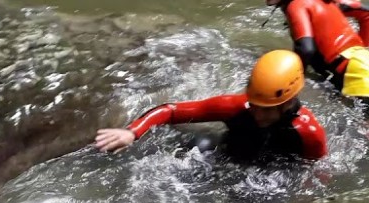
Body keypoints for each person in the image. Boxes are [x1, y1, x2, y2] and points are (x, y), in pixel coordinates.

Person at [93, 49, 327, 161]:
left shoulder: (309, 133)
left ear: (286, 104)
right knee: (198, 145)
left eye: (265, 108)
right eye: (254, 104)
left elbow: (318, 171)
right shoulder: (237, 106)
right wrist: (132, 132)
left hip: (276, 170)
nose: (256, 113)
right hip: (232, 154)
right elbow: (171, 111)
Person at [267, 0, 369, 97]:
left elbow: (305, 49)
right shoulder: (327, 1)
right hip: (362, 59)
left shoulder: (295, 5)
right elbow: (366, 13)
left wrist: (292, 81)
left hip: (356, 73)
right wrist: (362, 47)